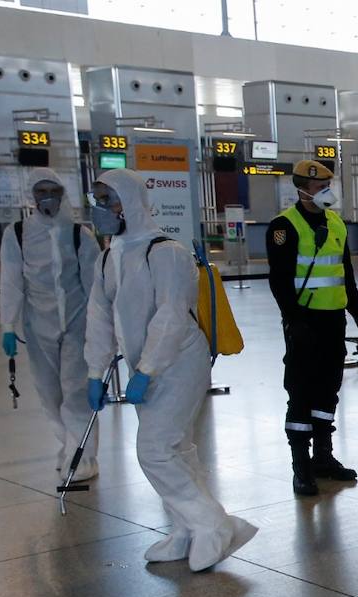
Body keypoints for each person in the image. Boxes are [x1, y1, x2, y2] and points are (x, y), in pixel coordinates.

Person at [84, 169, 256, 572]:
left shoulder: (166, 252)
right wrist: (95, 371)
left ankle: (214, 525)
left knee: (154, 450)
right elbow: (99, 317)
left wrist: (147, 370)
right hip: (144, 364)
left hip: (179, 363)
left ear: (129, 202)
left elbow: (171, 316)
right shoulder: (110, 256)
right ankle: (184, 530)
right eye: (96, 201)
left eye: (106, 200)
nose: (99, 210)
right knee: (176, 447)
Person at [266, 159, 358, 497]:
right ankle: (301, 466)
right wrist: (293, 320)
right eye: (318, 186)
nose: (327, 191)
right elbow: (280, 281)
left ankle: (323, 456)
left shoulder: (337, 223)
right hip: (303, 322)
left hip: (332, 320)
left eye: (328, 184)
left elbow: (345, 274)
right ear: (301, 189)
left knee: (328, 389)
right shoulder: (285, 226)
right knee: (300, 392)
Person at [0, 168, 102, 477]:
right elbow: (11, 281)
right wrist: (8, 325)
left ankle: (82, 455)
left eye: (53, 191)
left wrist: (100, 328)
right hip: (37, 325)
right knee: (49, 391)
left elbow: (95, 286)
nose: (48, 199)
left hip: (77, 322)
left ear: (63, 194)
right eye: (41, 192)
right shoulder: (17, 234)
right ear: (31, 196)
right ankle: (68, 445)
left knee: (76, 390)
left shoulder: (79, 234)